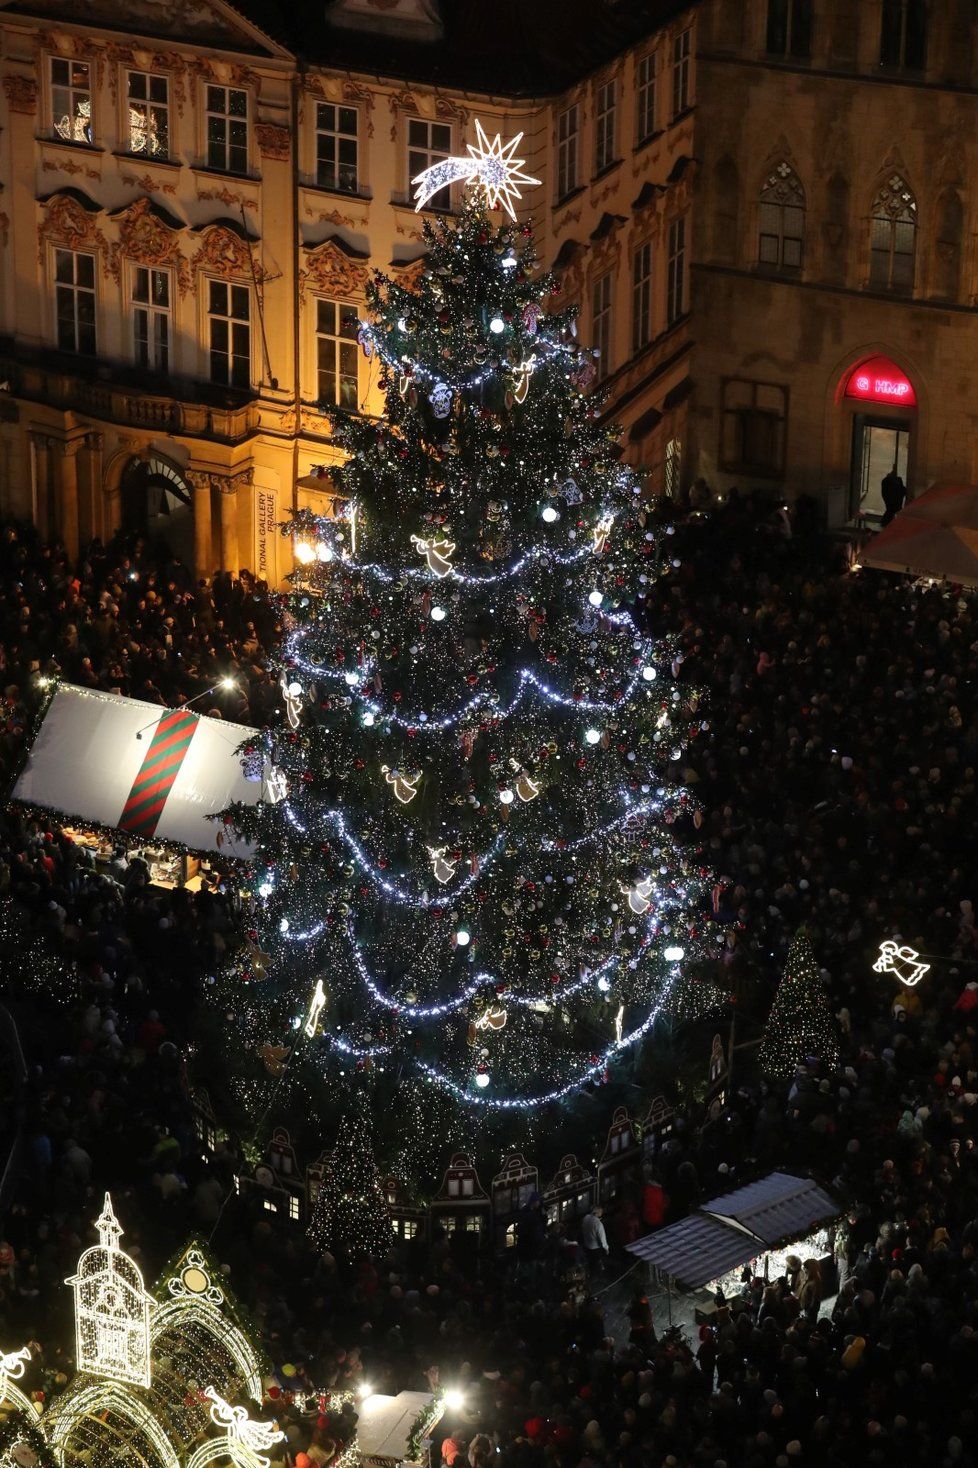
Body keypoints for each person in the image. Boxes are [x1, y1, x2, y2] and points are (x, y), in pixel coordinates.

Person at [581, 1204, 608, 1274]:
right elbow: (602, 1239)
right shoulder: (598, 1224)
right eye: (601, 1211)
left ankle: (590, 1273)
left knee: (590, 1262)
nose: (602, 1212)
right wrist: (606, 1248)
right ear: (598, 1212)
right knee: (597, 1262)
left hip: (586, 1244)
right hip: (595, 1248)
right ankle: (597, 1274)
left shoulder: (585, 1218)